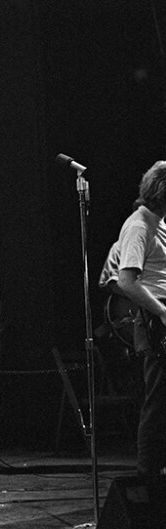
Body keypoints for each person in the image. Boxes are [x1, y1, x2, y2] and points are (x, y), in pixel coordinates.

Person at [116, 160, 166, 477]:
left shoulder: (160, 223)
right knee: (158, 402)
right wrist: (161, 311)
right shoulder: (139, 225)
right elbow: (126, 281)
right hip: (155, 320)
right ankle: (148, 480)